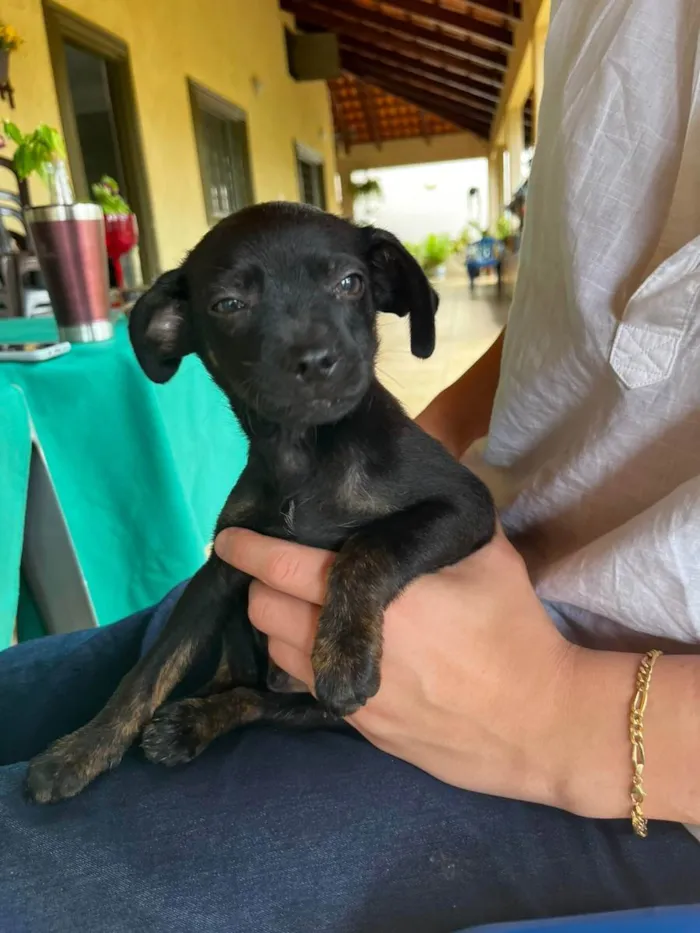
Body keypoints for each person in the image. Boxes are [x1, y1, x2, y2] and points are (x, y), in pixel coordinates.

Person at [2, 1, 700, 930]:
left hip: (602, 730)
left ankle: (237, 709)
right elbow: (586, 324)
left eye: (343, 287)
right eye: (240, 302)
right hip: (357, 588)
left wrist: (562, 712)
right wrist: (436, 434)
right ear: (176, 333)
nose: (316, 343)